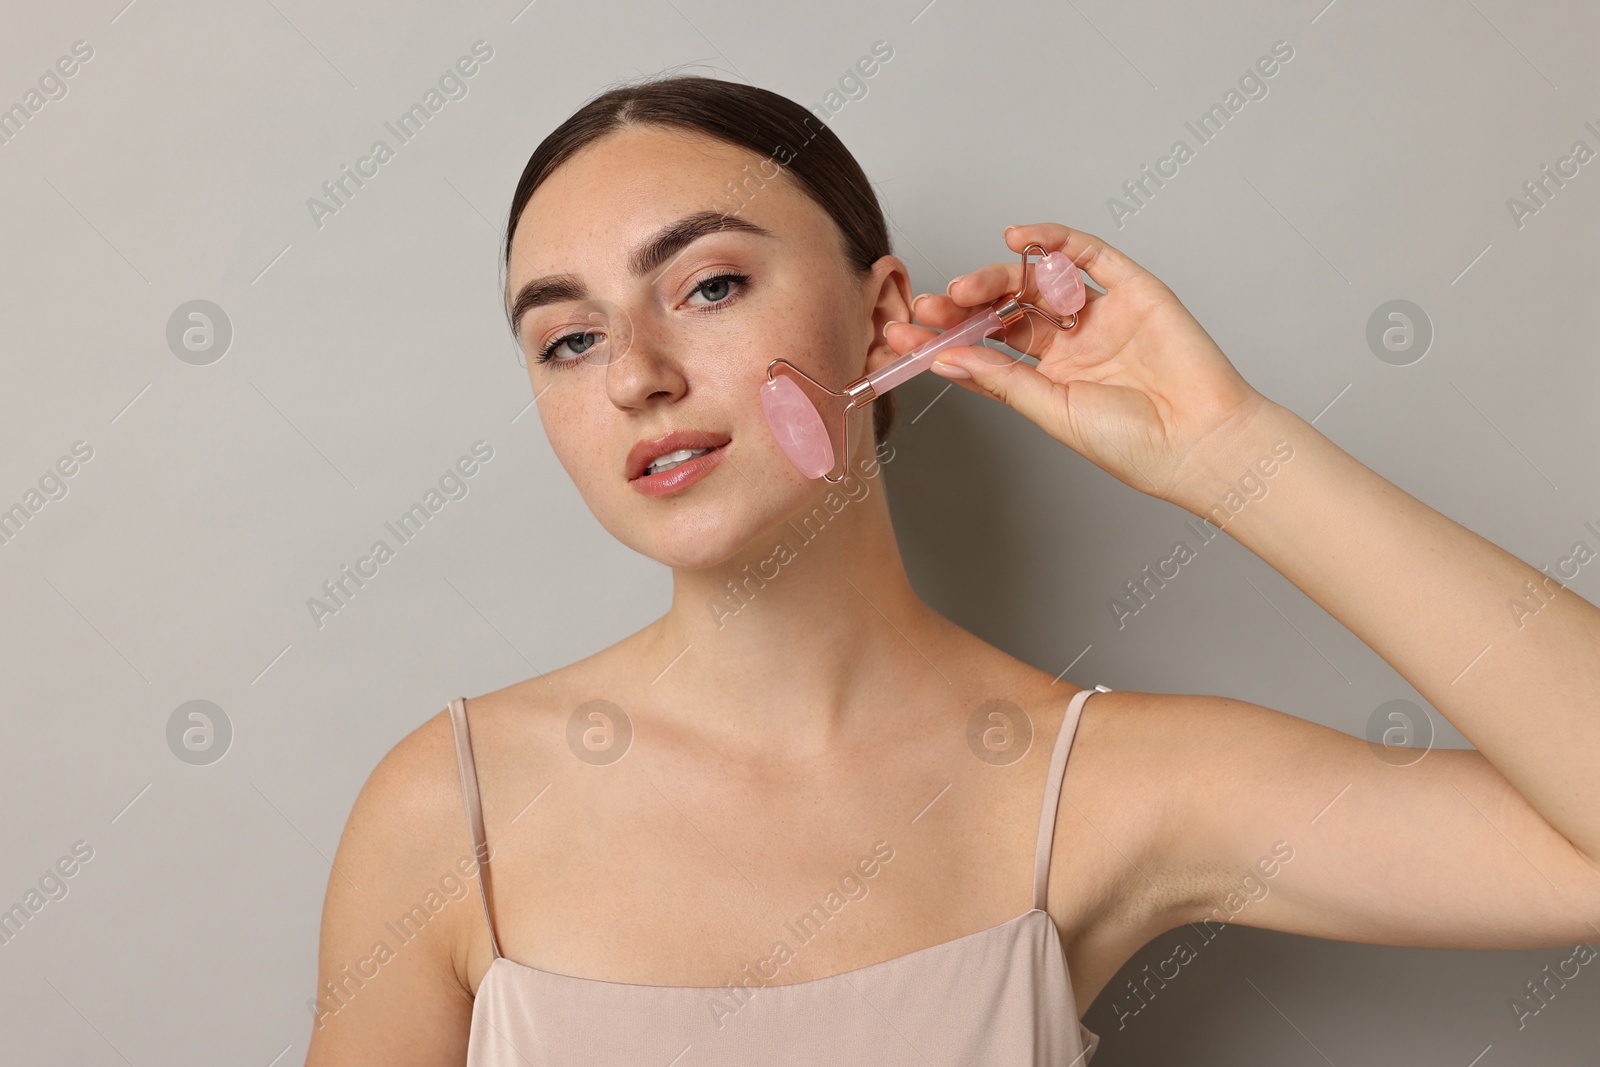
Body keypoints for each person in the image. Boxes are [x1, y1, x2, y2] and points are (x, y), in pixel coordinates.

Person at [304, 75, 1600, 1065]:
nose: (637, 375)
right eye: (569, 340)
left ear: (882, 319)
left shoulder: (1095, 786)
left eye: (705, 287)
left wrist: (1227, 451)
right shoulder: (450, 810)